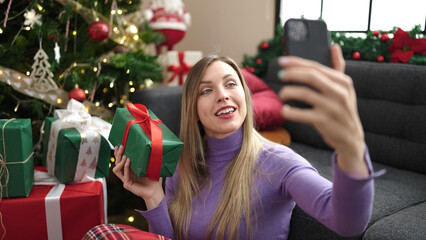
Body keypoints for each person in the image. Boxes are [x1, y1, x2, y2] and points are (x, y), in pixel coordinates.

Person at [113, 44, 379, 240]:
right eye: (207, 90)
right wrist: (153, 195)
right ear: (192, 109)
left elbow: (348, 222)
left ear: (245, 95)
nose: (222, 95)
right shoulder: (183, 164)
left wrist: (352, 148)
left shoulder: (278, 162)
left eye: (231, 84)